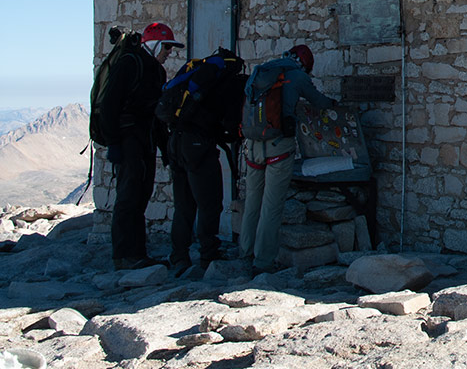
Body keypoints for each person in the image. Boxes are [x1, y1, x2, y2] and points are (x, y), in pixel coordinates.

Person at [239, 44, 336, 272]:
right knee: (272, 206)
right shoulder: (297, 76)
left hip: (252, 145)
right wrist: (334, 105)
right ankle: (262, 262)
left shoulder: (261, 71)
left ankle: (244, 252)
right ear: (305, 63)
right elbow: (318, 101)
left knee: (252, 201)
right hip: (278, 146)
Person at [97, 22, 183, 270]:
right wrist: (113, 143)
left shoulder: (156, 72)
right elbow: (111, 106)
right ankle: (123, 255)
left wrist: (165, 148)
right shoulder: (129, 64)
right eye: (166, 47)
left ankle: (137, 253)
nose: (169, 52)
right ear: (154, 44)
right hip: (127, 140)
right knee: (128, 196)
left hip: (144, 140)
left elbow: (155, 114)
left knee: (141, 194)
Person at [165, 51, 244, 278]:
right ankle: (208, 254)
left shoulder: (199, 77)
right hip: (198, 145)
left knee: (183, 204)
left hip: (176, 140)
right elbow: (229, 123)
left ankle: (179, 255)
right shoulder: (226, 83)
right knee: (209, 203)